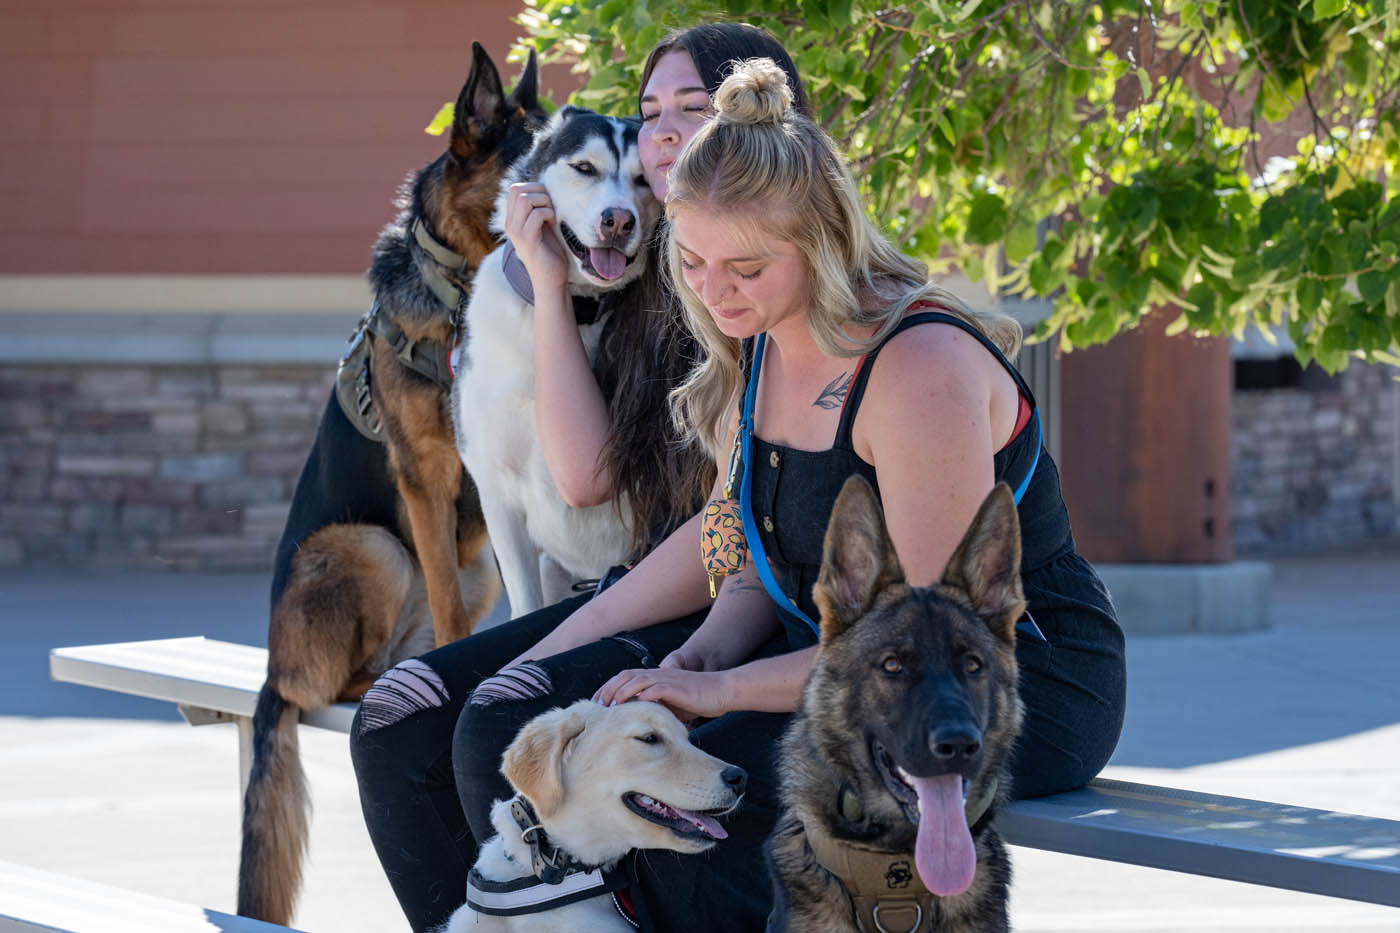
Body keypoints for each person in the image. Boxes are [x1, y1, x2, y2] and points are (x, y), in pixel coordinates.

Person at [350, 25, 813, 933]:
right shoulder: (641, 269)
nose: (667, 132)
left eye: (696, 107)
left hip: (715, 605)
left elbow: (729, 533)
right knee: (395, 721)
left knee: (499, 729)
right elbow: (583, 473)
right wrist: (550, 286)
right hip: (649, 588)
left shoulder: (760, 280)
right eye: (650, 114)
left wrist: (577, 644)